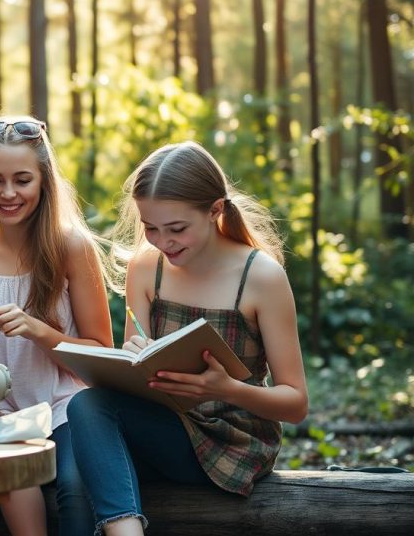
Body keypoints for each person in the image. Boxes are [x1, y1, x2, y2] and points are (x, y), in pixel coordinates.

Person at [66, 141, 308, 535]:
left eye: (177, 229)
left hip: (234, 443)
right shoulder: (147, 267)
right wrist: (133, 358)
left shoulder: (261, 278)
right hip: (168, 428)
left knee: (87, 443)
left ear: (215, 210)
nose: (164, 242)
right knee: (76, 460)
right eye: (151, 228)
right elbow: (134, 380)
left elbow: (295, 404)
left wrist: (226, 389)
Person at [0, 115, 113, 536]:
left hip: (67, 408)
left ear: (44, 182)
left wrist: (38, 330)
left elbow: (100, 355)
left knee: (76, 488)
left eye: (22, 180)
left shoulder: (71, 248)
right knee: (8, 484)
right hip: (1, 413)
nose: (8, 193)